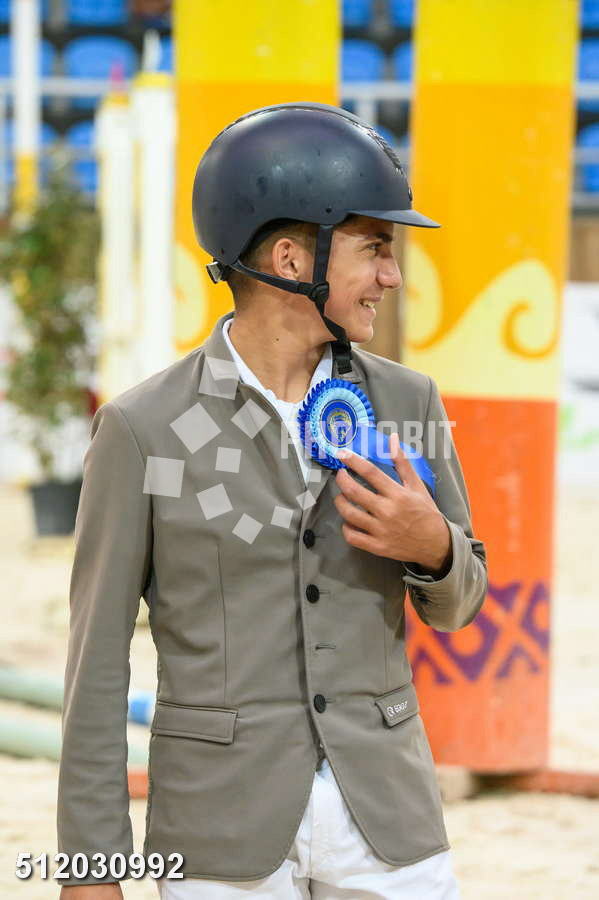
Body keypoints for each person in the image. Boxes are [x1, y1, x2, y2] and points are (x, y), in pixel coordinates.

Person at [57, 102, 487, 899]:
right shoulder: (142, 429)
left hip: (387, 819)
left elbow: (458, 608)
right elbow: (97, 665)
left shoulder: (407, 403)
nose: (391, 276)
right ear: (292, 258)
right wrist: (92, 867)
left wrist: (434, 549)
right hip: (218, 831)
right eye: (374, 248)